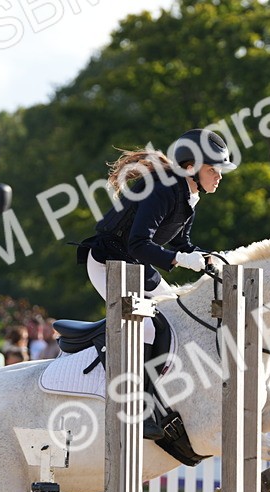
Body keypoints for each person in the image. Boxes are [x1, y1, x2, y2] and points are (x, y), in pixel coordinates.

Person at [78, 128, 237, 343]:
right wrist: (181, 259)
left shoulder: (188, 195)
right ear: (191, 168)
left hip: (137, 266)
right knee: (146, 329)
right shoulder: (162, 190)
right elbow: (138, 244)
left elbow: (182, 243)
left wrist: (212, 257)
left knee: (178, 319)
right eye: (212, 170)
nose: (219, 177)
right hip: (108, 263)